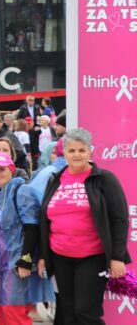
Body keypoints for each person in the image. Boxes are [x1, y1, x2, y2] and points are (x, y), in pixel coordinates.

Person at [37, 128, 131, 325]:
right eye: (72, 151)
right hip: (60, 256)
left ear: (90, 151)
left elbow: (119, 219)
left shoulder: (104, 179)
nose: (77, 155)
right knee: (68, 313)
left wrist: (117, 257)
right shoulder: (55, 179)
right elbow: (45, 220)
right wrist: (43, 257)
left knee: (86, 313)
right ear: (65, 153)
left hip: (92, 257)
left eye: (82, 150)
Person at [0, 153, 54, 325]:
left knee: (15, 312)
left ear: (11, 169)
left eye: (2, 169)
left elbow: (32, 227)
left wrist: (25, 259)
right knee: (1, 310)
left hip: (15, 263)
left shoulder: (22, 191)